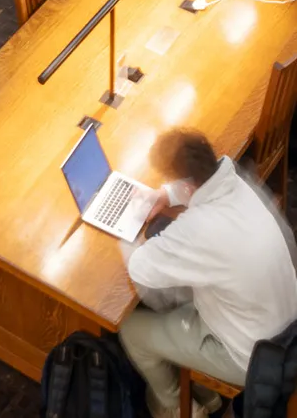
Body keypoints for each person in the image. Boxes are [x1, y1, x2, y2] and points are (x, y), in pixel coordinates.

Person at [119, 129, 297, 418]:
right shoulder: (238, 183)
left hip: (253, 358)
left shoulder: (199, 229)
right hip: (285, 326)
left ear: (188, 186)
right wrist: (166, 194)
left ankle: (178, 407)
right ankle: (207, 395)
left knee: (132, 331)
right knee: (180, 298)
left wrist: (124, 224)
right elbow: (200, 186)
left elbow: (141, 269)